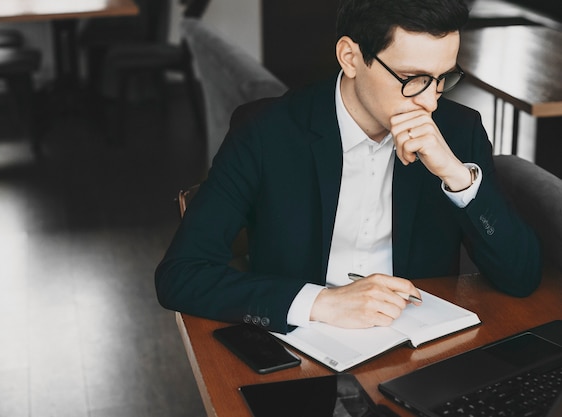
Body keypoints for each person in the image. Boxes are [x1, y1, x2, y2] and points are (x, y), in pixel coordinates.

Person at [155, 0, 541, 334]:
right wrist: (322, 303)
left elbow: (520, 277)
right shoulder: (265, 132)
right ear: (351, 57)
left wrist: (458, 179)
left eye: (442, 79)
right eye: (412, 79)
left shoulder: (458, 131)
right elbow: (181, 275)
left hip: (420, 351)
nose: (430, 103)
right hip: (303, 347)